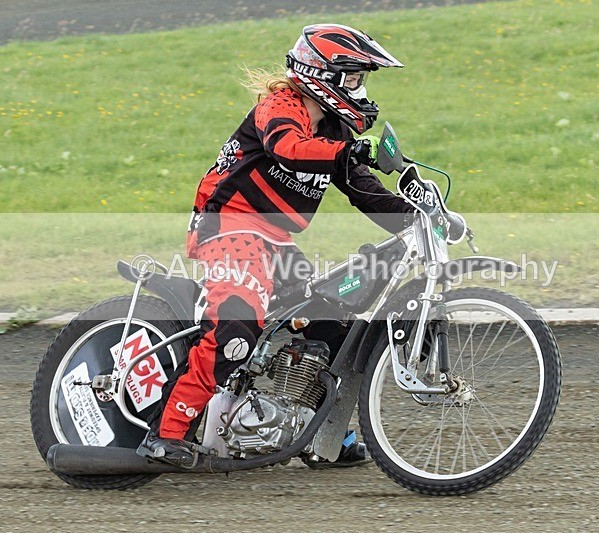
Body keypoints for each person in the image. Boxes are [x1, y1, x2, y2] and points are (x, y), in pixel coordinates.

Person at [137, 23, 415, 468]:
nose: (361, 91)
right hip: (230, 225)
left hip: (273, 240)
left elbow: (364, 191)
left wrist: (420, 219)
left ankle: (323, 437)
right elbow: (287, 147)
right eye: (355, 78)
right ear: (322, 73)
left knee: (330, 328)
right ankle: (164, 435)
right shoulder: (279, 106)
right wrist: (348, 152)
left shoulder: (334, 133)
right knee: (237, 330)